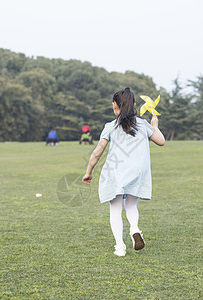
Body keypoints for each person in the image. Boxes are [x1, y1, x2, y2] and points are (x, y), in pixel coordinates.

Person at [82, 87, 165, 257]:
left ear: (116, 108)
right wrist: (154, 126)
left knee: (115, 209)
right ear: (134, 105)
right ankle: (134, 228)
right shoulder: (142, 124)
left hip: (116, 172)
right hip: (137, 171)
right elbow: (161, 141)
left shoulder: (110, 126)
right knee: (131, 205)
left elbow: (97, 152)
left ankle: (120, 247)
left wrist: (89, 171)